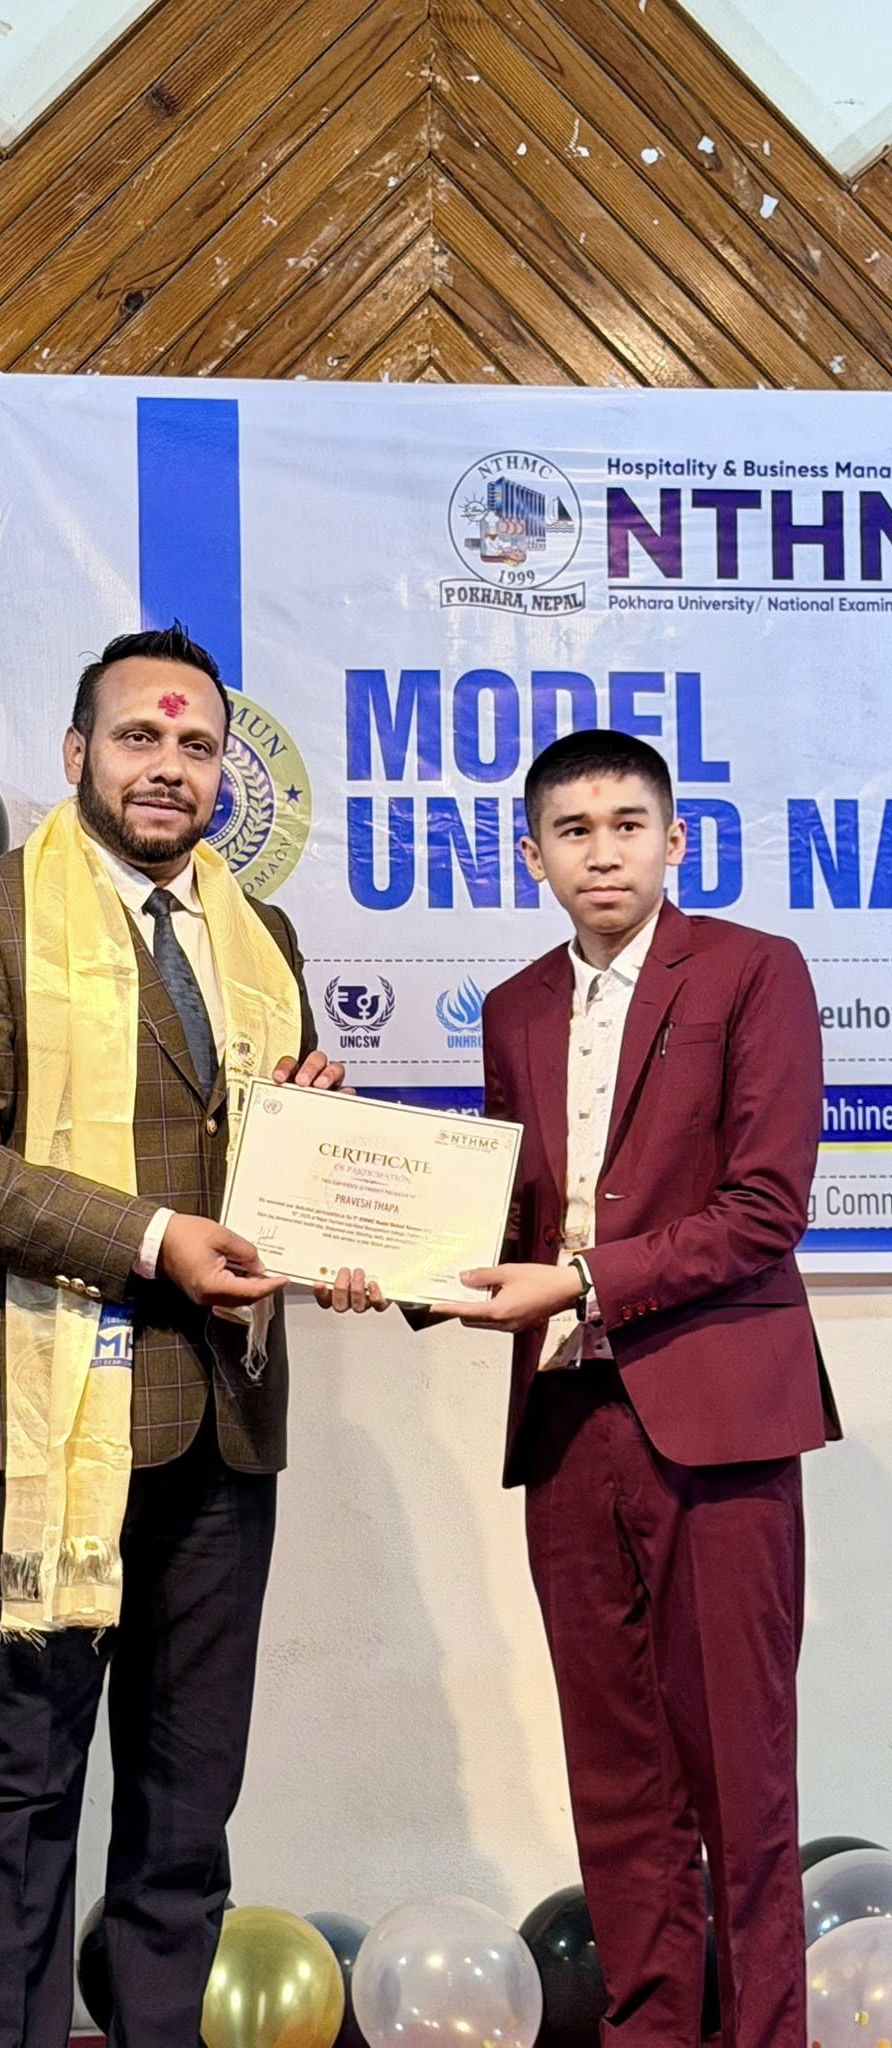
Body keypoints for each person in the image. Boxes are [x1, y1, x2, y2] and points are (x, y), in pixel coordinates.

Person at [0, 624, 356, 2048]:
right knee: (22, 1789)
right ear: (77, 753)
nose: (168, 768)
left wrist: (315, 1153)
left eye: (196, 746)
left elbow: (257, 1167)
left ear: (224, 775)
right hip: (42, 1425)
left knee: (188, 1802)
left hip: (225, 1420)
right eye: (139, 738)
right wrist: (152, 1240)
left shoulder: (262, 938)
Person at [429, 729, 839, 2048]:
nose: (601, 852)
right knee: (616, 1776)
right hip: (565, 1421)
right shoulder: (513, 1008)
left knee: (741, 1774)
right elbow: (507, 1218)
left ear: (675, 840)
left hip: (717, 1419)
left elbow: (764, 1207)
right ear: (530, 855)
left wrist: (584, 1281)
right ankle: (652, 2030)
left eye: (626, 825)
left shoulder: (754, 970)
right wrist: (393, 1268)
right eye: (573, 830)